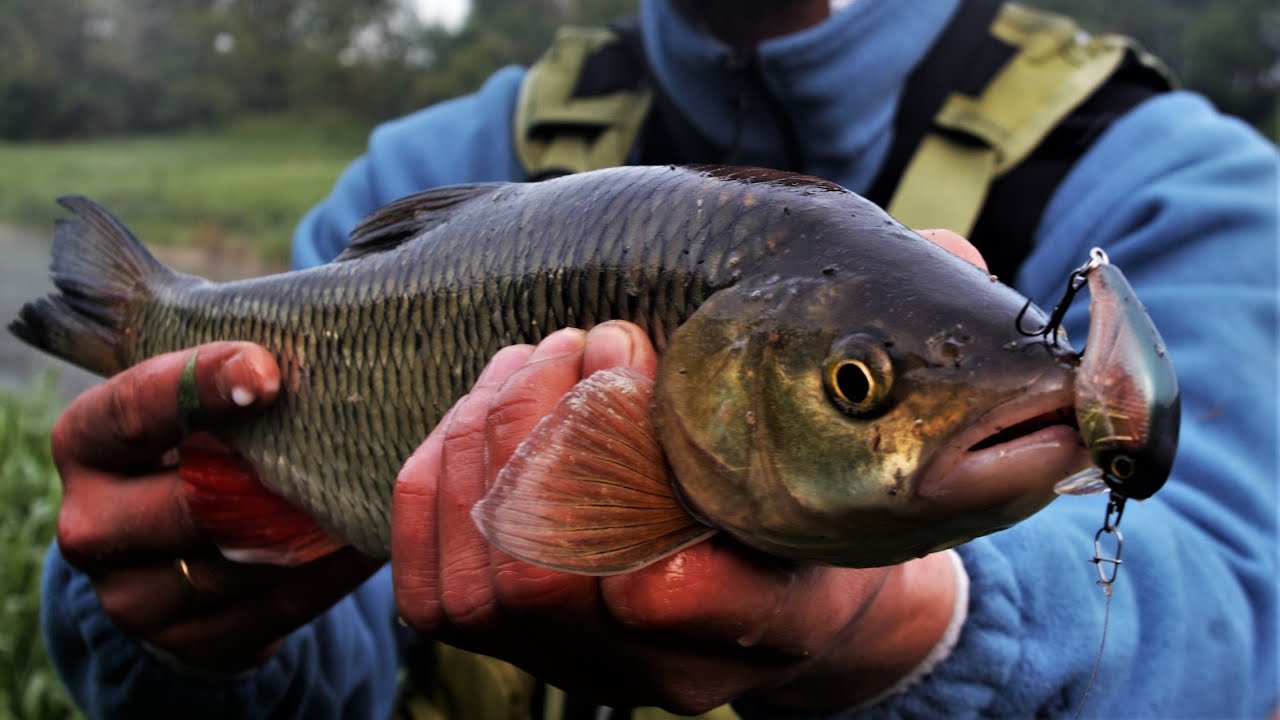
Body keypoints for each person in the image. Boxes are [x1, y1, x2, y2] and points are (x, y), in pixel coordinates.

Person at [39, 0, 1277, 718]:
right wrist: (176, 613)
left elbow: (1240, 623)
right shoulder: (436, 152)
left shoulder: (1174, 175)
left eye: (855, 386)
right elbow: (334, 665)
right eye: (858, 385)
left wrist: (913, 626)